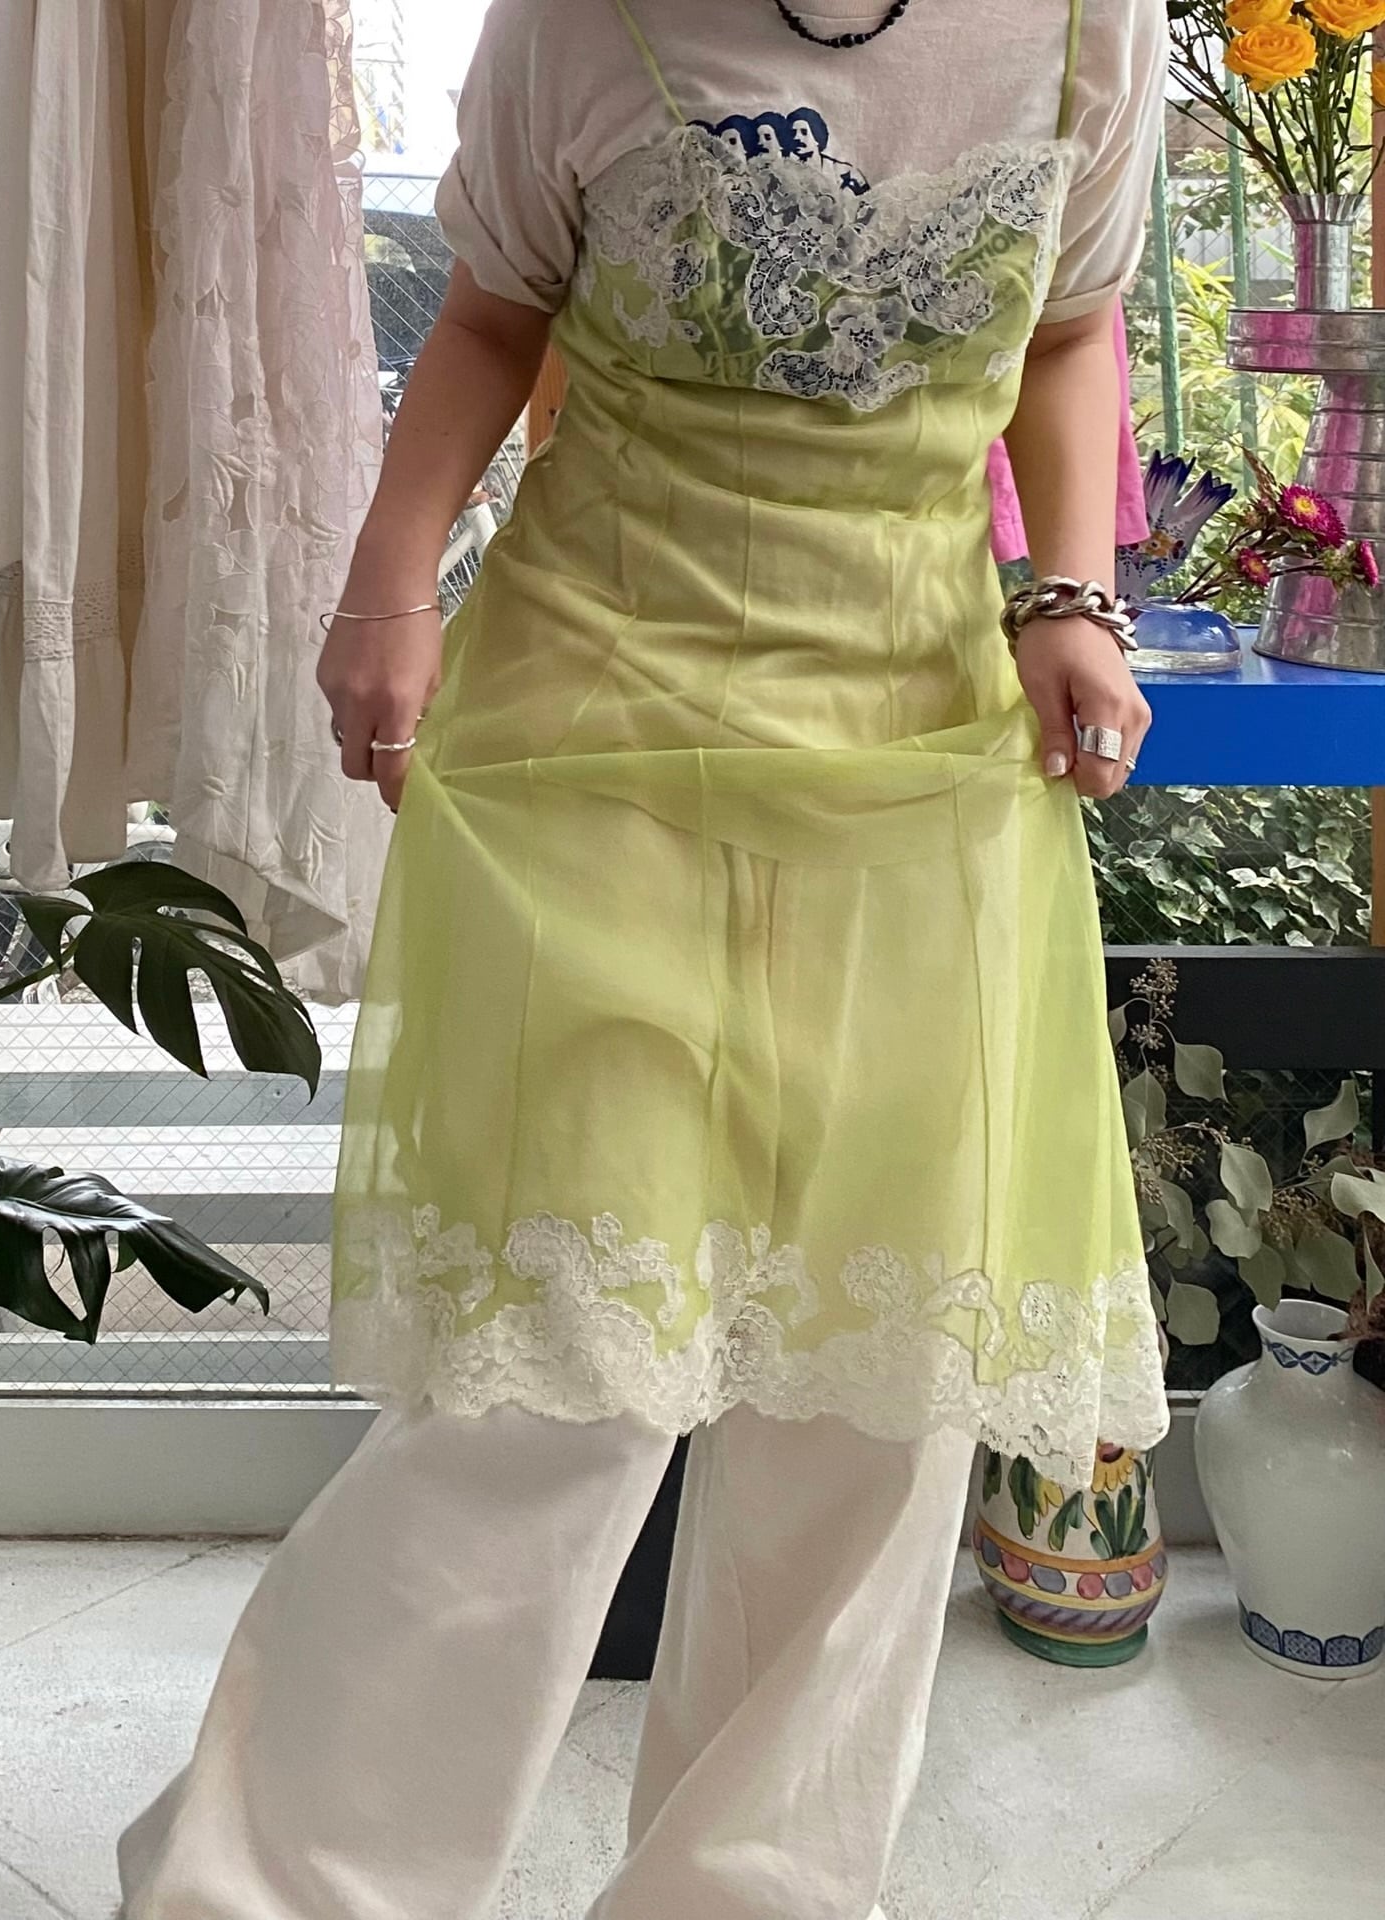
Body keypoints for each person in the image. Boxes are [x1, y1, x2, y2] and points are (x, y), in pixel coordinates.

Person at [119, 2, 1171, 1915]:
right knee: (549, 1382)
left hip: (921, 759)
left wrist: (1073, 594)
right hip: (596, 728)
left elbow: (1072, 325)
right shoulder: (582, 21)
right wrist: (387, 583)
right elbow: (492, 314)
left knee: (873, 1398)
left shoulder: (1091, 30)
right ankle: (263, 1889)